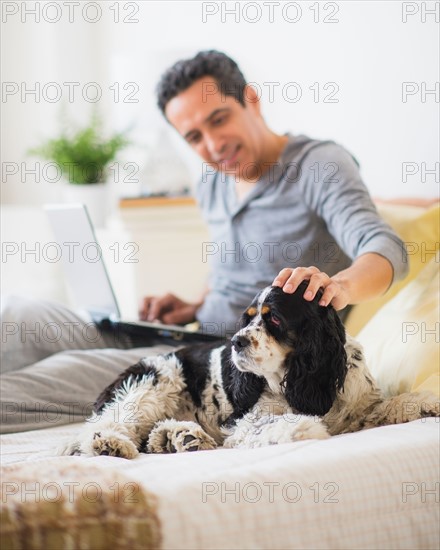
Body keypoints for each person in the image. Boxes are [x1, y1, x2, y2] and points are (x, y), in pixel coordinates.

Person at [0, 50, 407, 432]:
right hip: (184, 334)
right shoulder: (214, 181)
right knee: (19, 316)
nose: (212, 145)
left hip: (216, 360)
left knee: (49, 376)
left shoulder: (320, 165)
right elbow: (228, 276)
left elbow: (384, 246)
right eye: (193, 136)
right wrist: (192, 306)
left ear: (251, 100)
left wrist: (340, 286)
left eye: (219, 119)